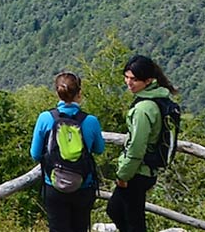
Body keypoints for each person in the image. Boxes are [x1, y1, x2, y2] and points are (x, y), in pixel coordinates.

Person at [109, 55, 181, 232]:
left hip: (137, 172)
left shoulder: (143, 109)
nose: (128, 82)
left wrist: (123, 175)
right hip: (147, 170)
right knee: (121, 212)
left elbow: (136, 147)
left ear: (148, 80)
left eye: (134, 79)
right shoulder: (159, 99)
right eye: (126, 77)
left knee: (130, 219)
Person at [30, 71, 105, 232]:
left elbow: (35, 154)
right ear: (79, 93)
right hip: (84, 185)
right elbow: (99, 149)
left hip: (54, 184)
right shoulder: (91, 121)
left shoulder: (45, 118)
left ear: (57, 92)